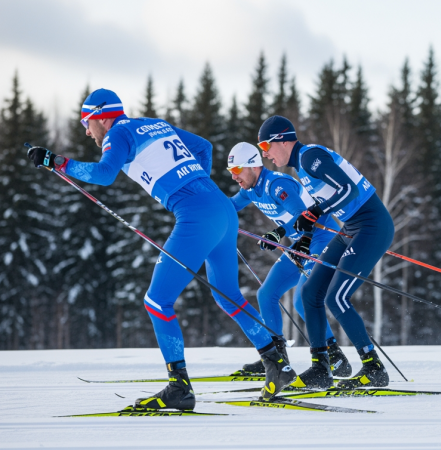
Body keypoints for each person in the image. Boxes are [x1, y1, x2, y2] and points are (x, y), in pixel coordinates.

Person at [26, 89, 295, 407]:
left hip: (199, 215)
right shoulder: (154, 124)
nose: (87, 131)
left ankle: (179, 388)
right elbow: (203, 147)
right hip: (221, 209)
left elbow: (104, 174)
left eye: (88, 122)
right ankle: (277, 363)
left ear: (102, 115)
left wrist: (55, 162)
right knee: (228, 295)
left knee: (157, 301)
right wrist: (197, 185)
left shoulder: (118, 133)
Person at [258, 115, 395, 389]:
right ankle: (321, 367)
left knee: (337, 297)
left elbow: (348, 188)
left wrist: (316, 211)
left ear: (281, 141)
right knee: (310, 293)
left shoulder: (310, 157)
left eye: (265, 147)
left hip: (372, 226)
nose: (266, 155)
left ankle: (373, 367)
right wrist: (303, 227)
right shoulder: (300, 168)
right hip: (351, 229)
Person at [226, 142, 352, 377]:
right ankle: (276, 359)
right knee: (266, 294)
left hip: (321, 238)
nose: (234, 177)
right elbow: (230, 206)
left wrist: (277, 233)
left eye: (237, 171)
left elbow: (300, 216)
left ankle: (335, 357)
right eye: (230, 172)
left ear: (253, 166)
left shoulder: (277, 184)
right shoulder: (249, 189)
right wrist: (200, 207)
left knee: (301, 300)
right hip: (300, 243)